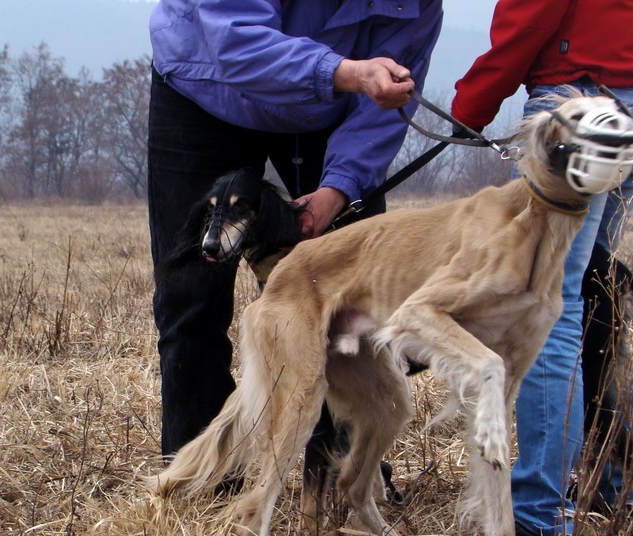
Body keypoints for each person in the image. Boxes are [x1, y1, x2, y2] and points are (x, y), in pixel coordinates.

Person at [147, 0, 444, 462]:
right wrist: (350, 73)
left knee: (353, 313)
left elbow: (388, 98)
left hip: (332, 107)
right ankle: (201, 482)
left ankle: (345, 479)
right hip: (205, 84)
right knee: (191, 301)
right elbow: (234, 37)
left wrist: (338, 189)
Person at [451, 0, 633, 536]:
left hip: (586, 99)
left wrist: (470, 107)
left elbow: (531, 13)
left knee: (552, 304)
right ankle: (619, 481)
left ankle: (539, 512)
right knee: (593, 289)